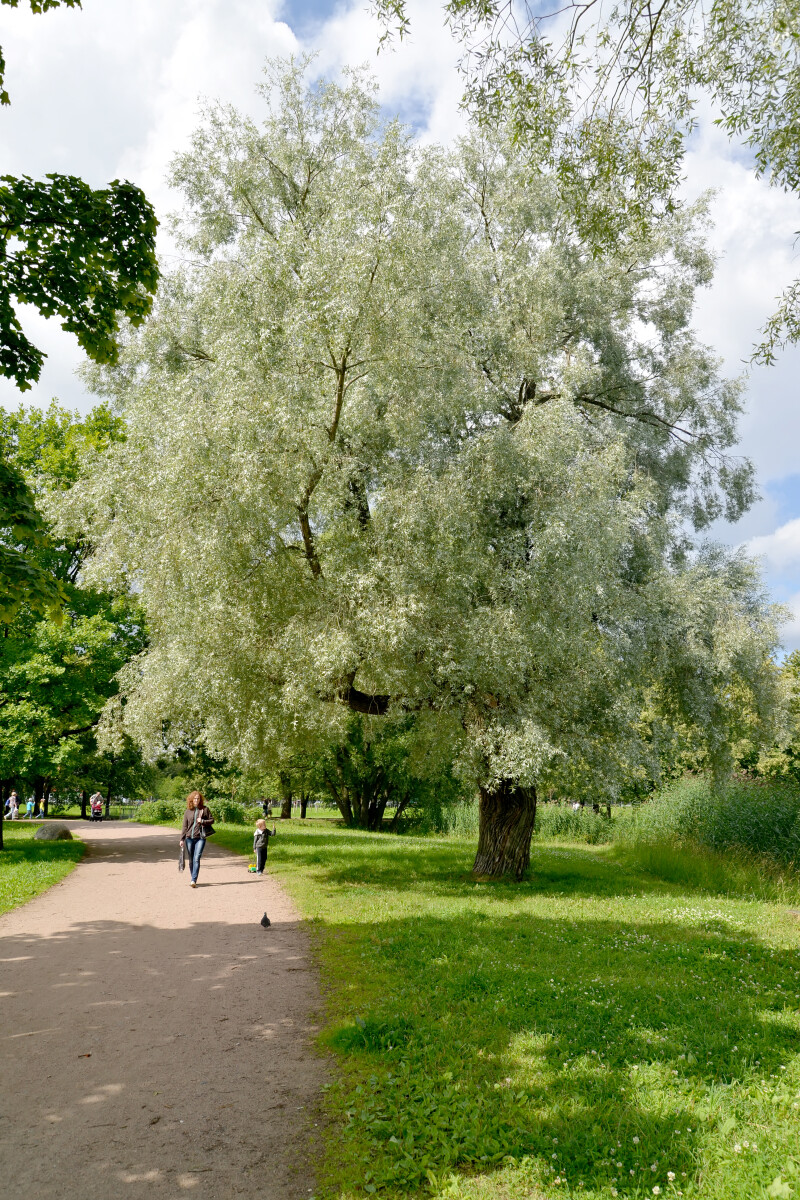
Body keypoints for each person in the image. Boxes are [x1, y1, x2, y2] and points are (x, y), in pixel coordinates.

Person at [179, 791, 214, 887]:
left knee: (196, 858)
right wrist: (182, 839)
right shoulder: (187, 811)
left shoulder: (205, 809)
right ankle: (193, 878)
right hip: (189, 838)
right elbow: (184, 827)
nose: (196, 800)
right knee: (191, 860)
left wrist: (202, 820)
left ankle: (193, 879)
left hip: (200, 838)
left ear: (200, 799)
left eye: (198, 798)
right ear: (191, 799)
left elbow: (212, 820)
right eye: (194, 798)